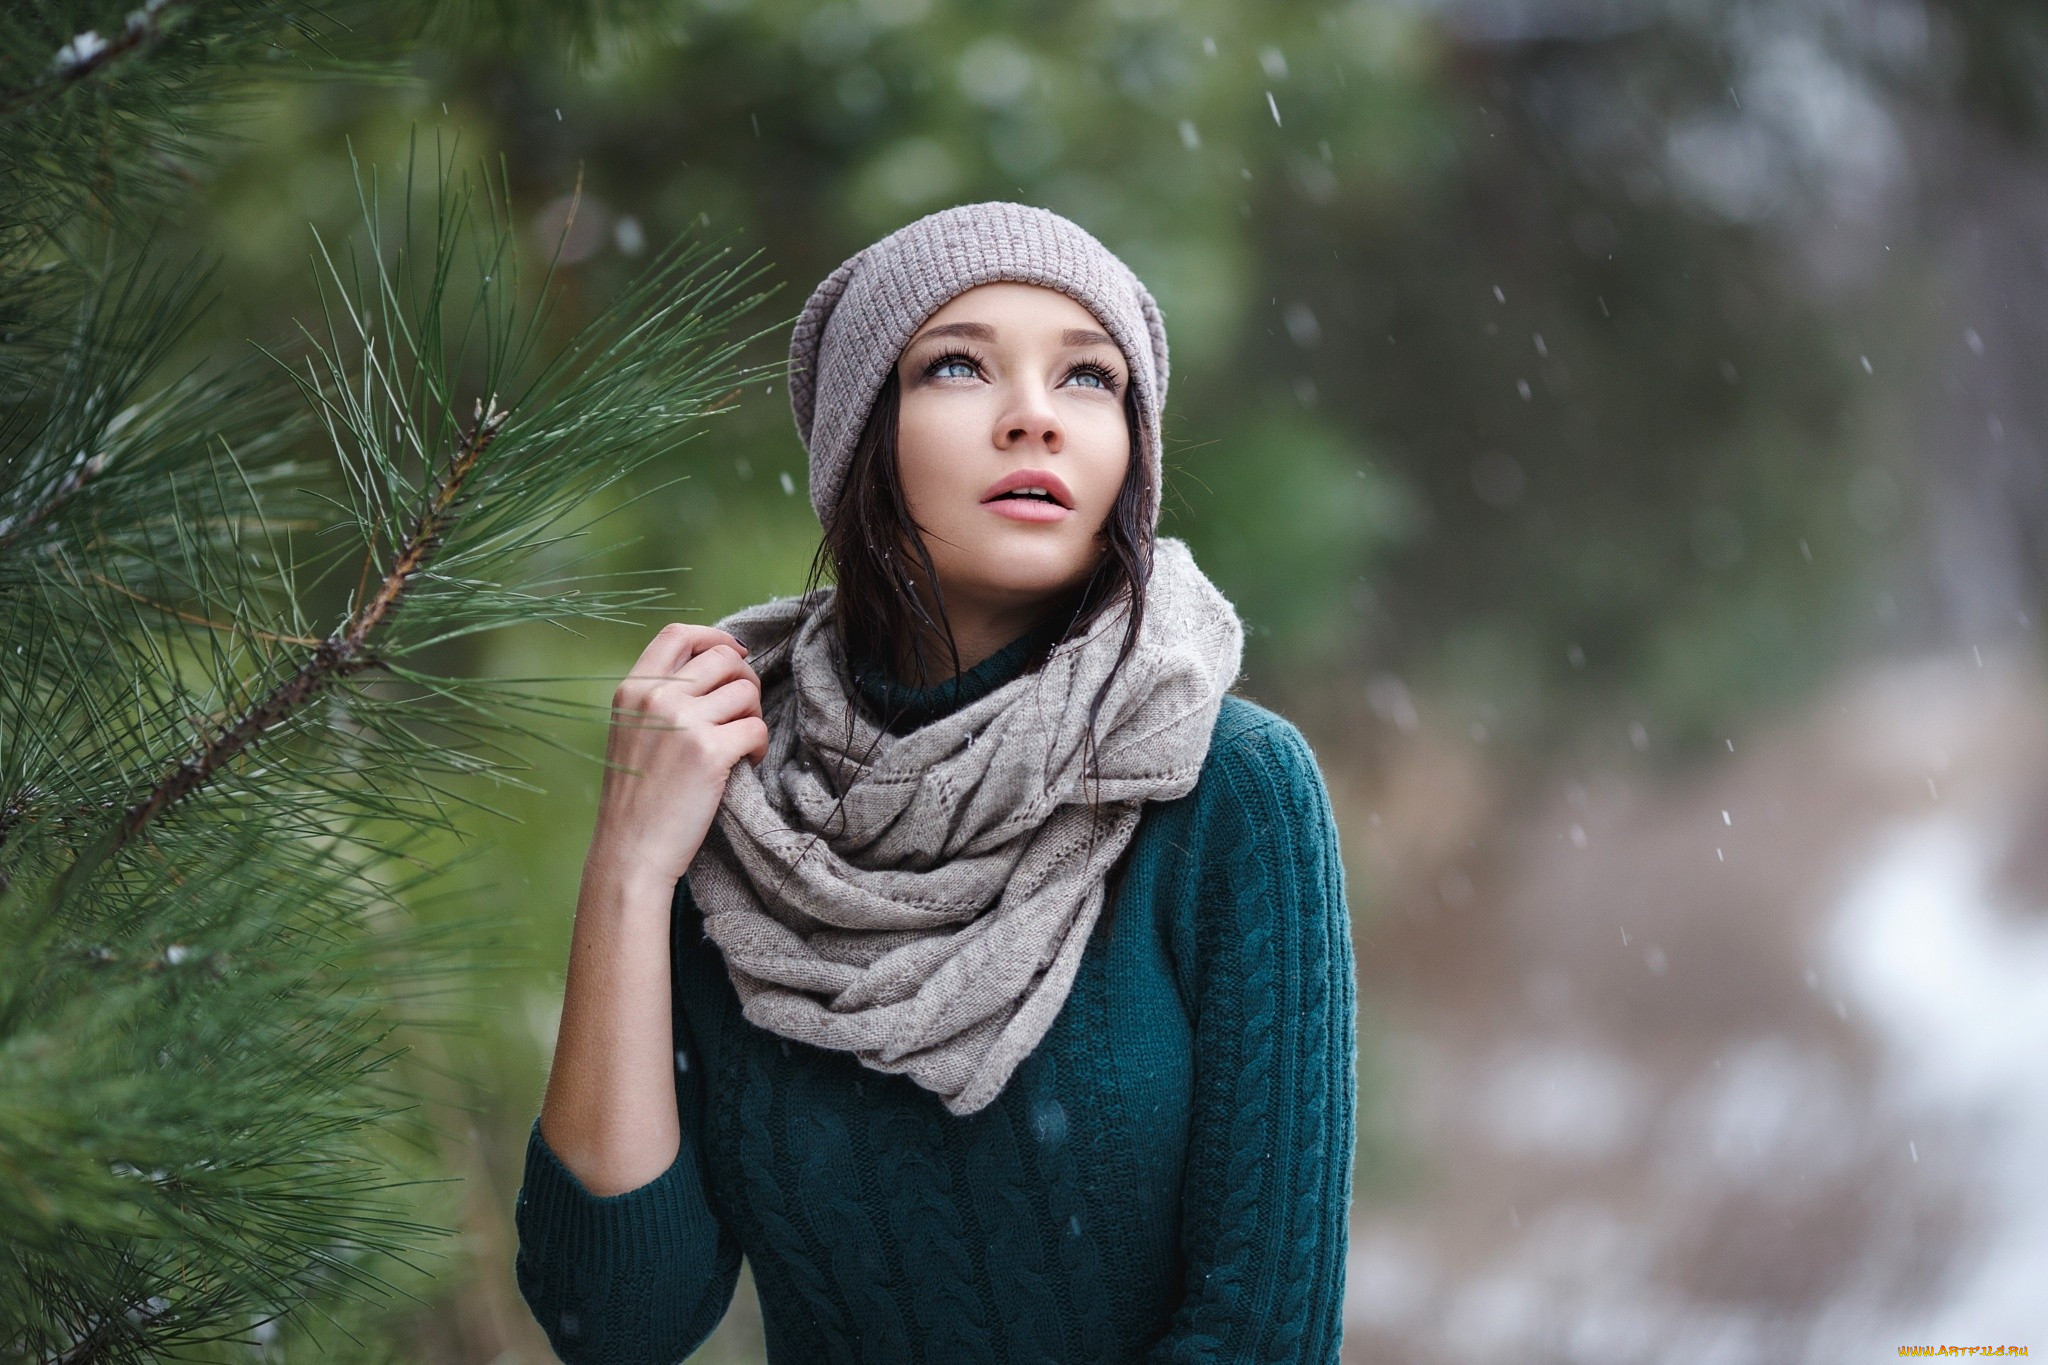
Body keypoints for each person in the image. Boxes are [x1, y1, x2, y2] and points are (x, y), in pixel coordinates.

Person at [513, 201, 1357, 1363]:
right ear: (864, 434)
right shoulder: (739, 802)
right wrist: (626, 870)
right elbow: (613, 1324)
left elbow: (1262, 1337)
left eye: (1088, 380)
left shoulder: (1225, 791)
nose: (1033, 419)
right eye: (958, 365)